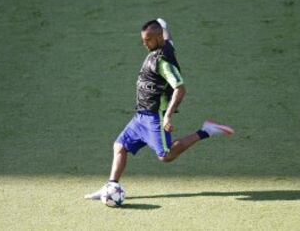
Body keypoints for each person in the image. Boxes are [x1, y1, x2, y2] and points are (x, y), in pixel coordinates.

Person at [84, 18, 234, 199]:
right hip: (140, 115)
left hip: (155, 116)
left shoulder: (163, 62)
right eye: (143, 40)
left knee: (166, 155)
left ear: (157, 37)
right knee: (119, 146)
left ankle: (206, 131)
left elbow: (180, 89)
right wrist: (164, 25)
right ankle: (111, 186)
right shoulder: (165, 44)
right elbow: (169, 38)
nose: (144, 43)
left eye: (147, 40)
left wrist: (168, 116)